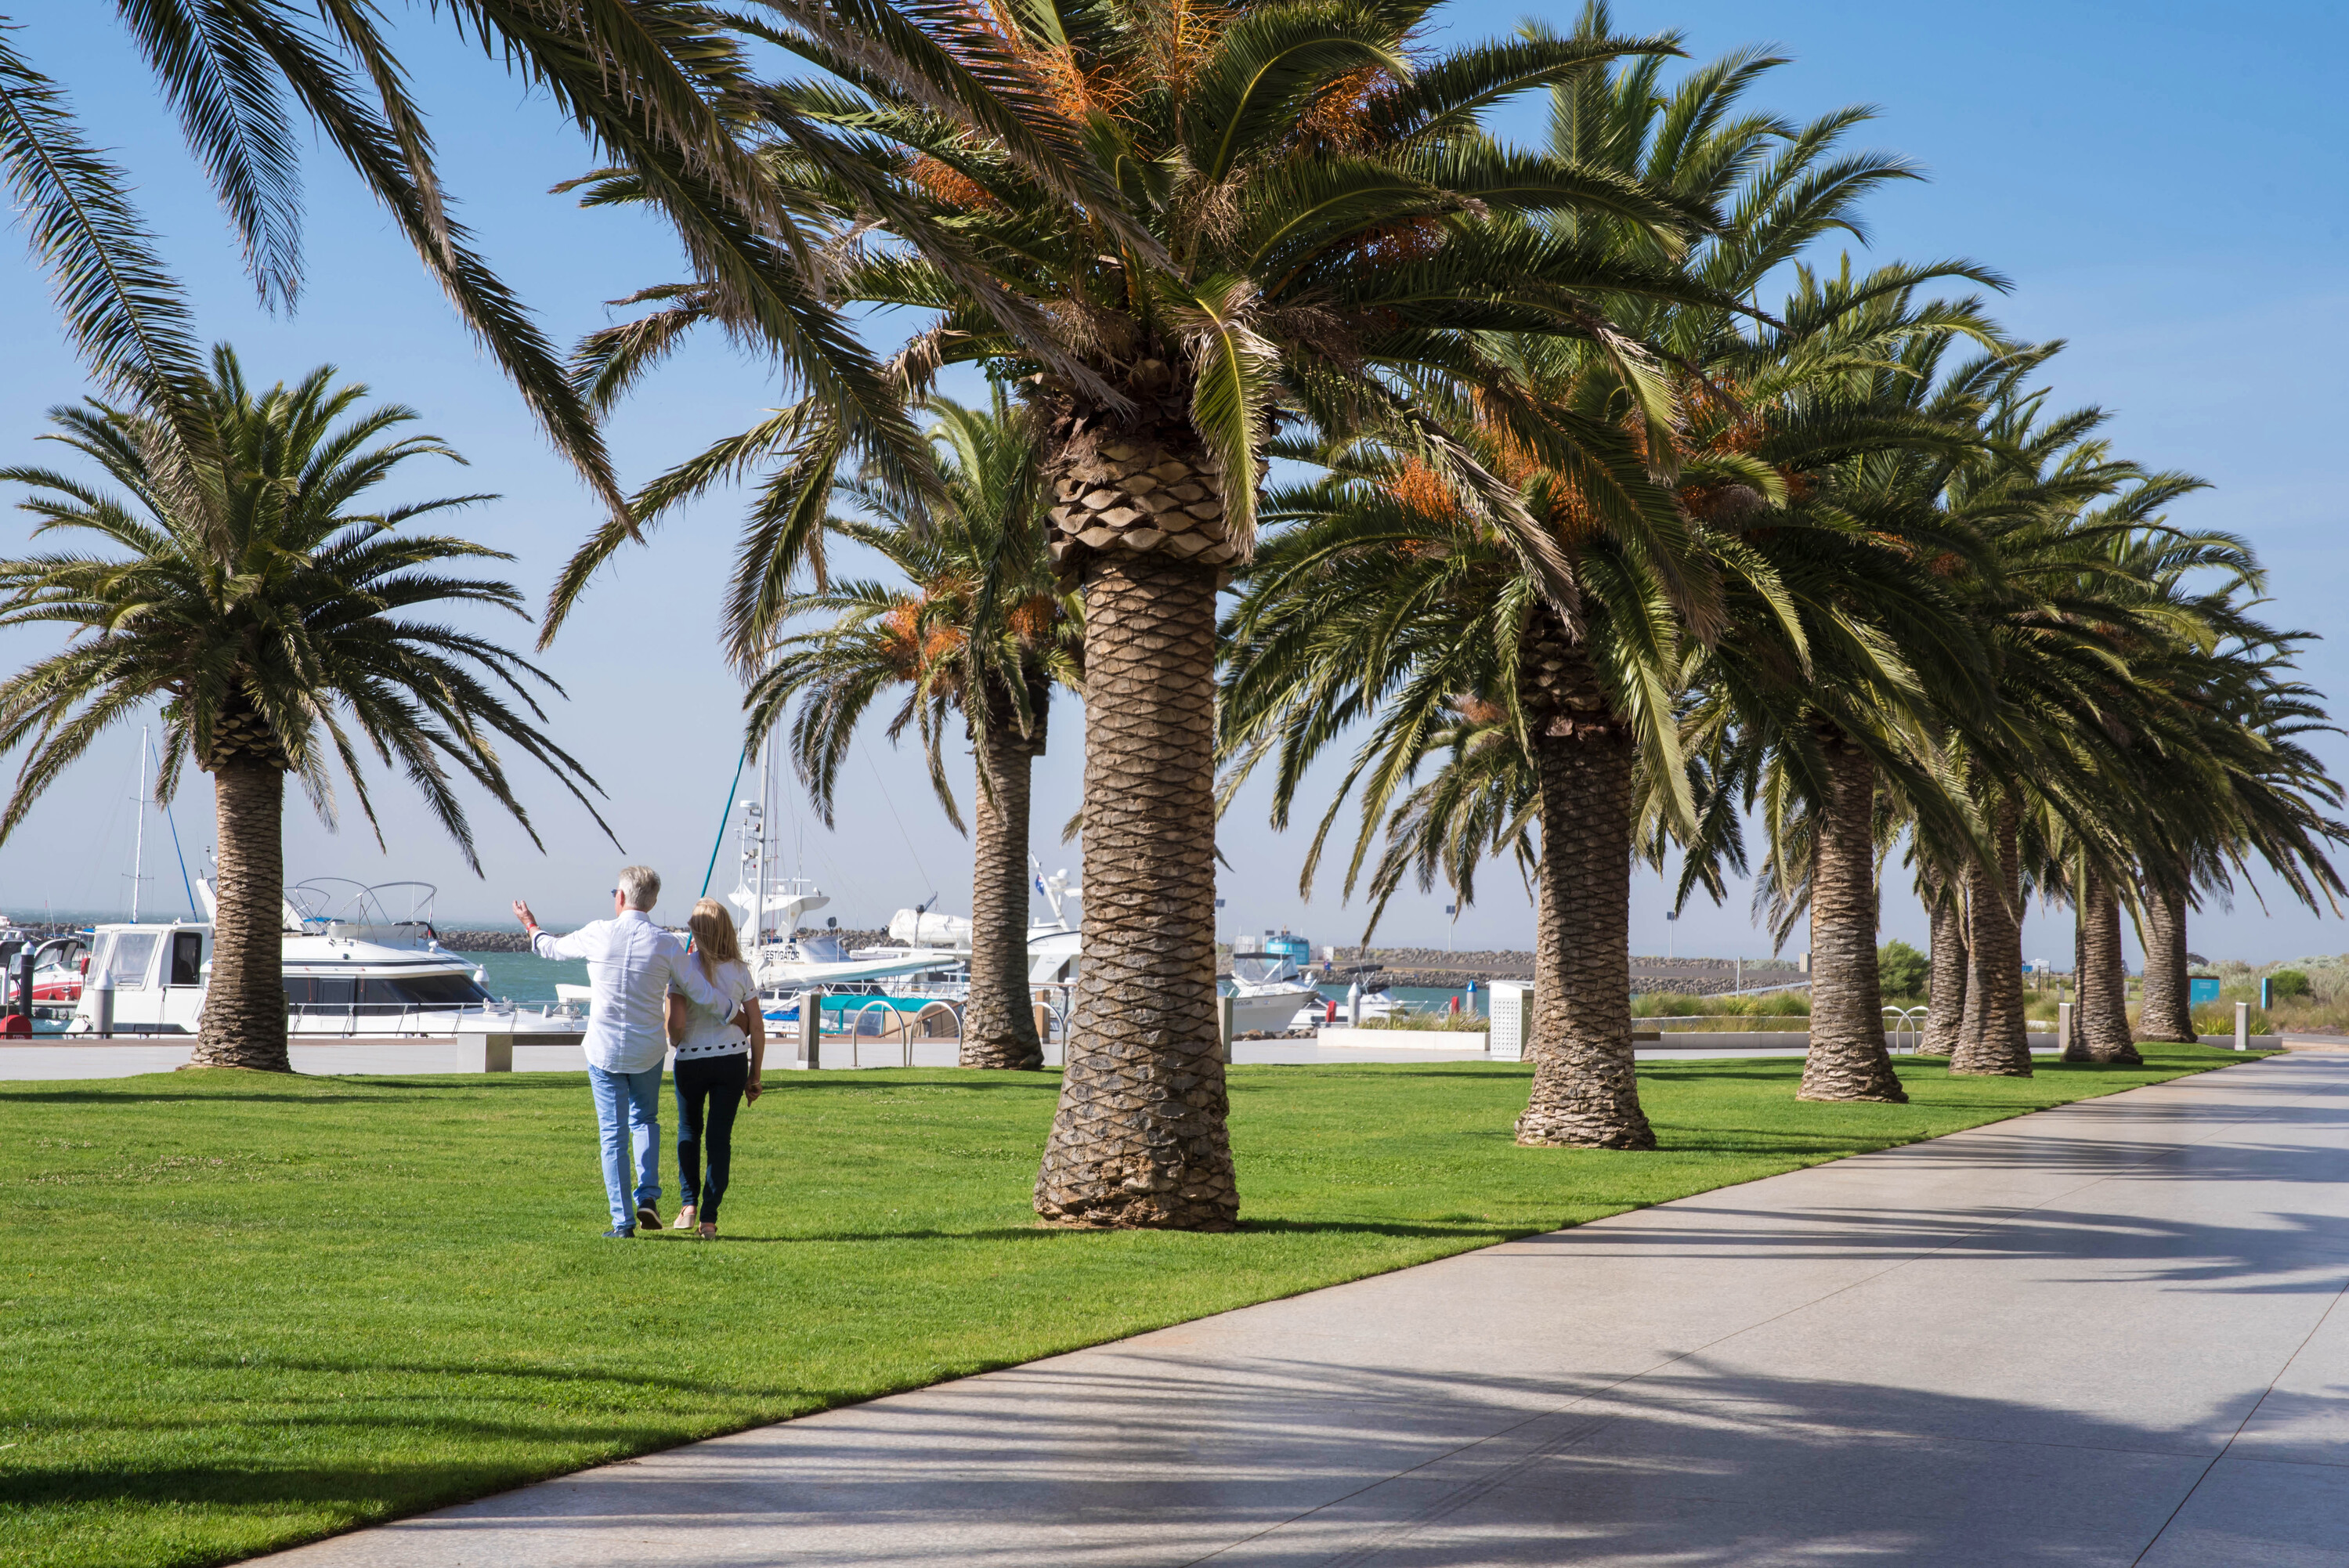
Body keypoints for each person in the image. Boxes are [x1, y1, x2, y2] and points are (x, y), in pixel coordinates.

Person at [513, 866, 739, 1237]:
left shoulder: (598, 933)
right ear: (652, 902)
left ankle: (623, 1223)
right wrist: (735, 1013)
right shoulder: (667, 944)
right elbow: (700, 991)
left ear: (620, 898)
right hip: (647, 1050)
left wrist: (530, 924)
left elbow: (551, 948)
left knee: (612, 1135)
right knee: (645, 1121)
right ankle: (647, 1195)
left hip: (603, 1050)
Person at [665, 898, 764, 1240]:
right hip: (731, 1060)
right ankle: (709, 1218)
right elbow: (757, 1026)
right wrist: (756, 1075)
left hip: (690, 1060)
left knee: (689, 1130)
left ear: (696, 931)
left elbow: (675, 1022)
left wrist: (676, 1040)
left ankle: (688, 1205)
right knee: (720, 1139)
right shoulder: (740, 970)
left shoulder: (684, 968)